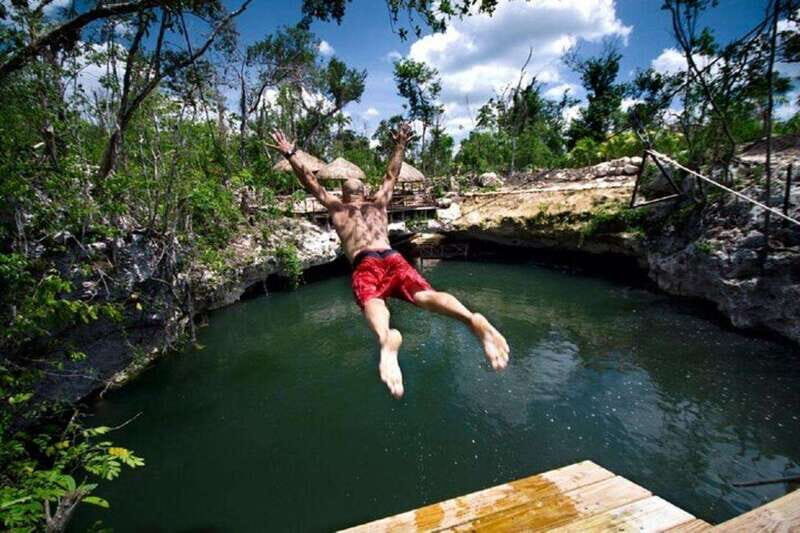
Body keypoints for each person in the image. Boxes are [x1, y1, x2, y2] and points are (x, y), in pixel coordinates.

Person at [266, 124, 509, 398]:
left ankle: (386, 338)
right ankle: (470, 317)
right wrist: (400, 144)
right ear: (365, 192)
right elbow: (392, 174)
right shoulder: (379, 203)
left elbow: (310, 180)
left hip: (365, 262)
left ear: (344, 195)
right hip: (393, 256)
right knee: (426, 295)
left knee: (374, 301)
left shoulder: (336, 207)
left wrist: (291, 153)